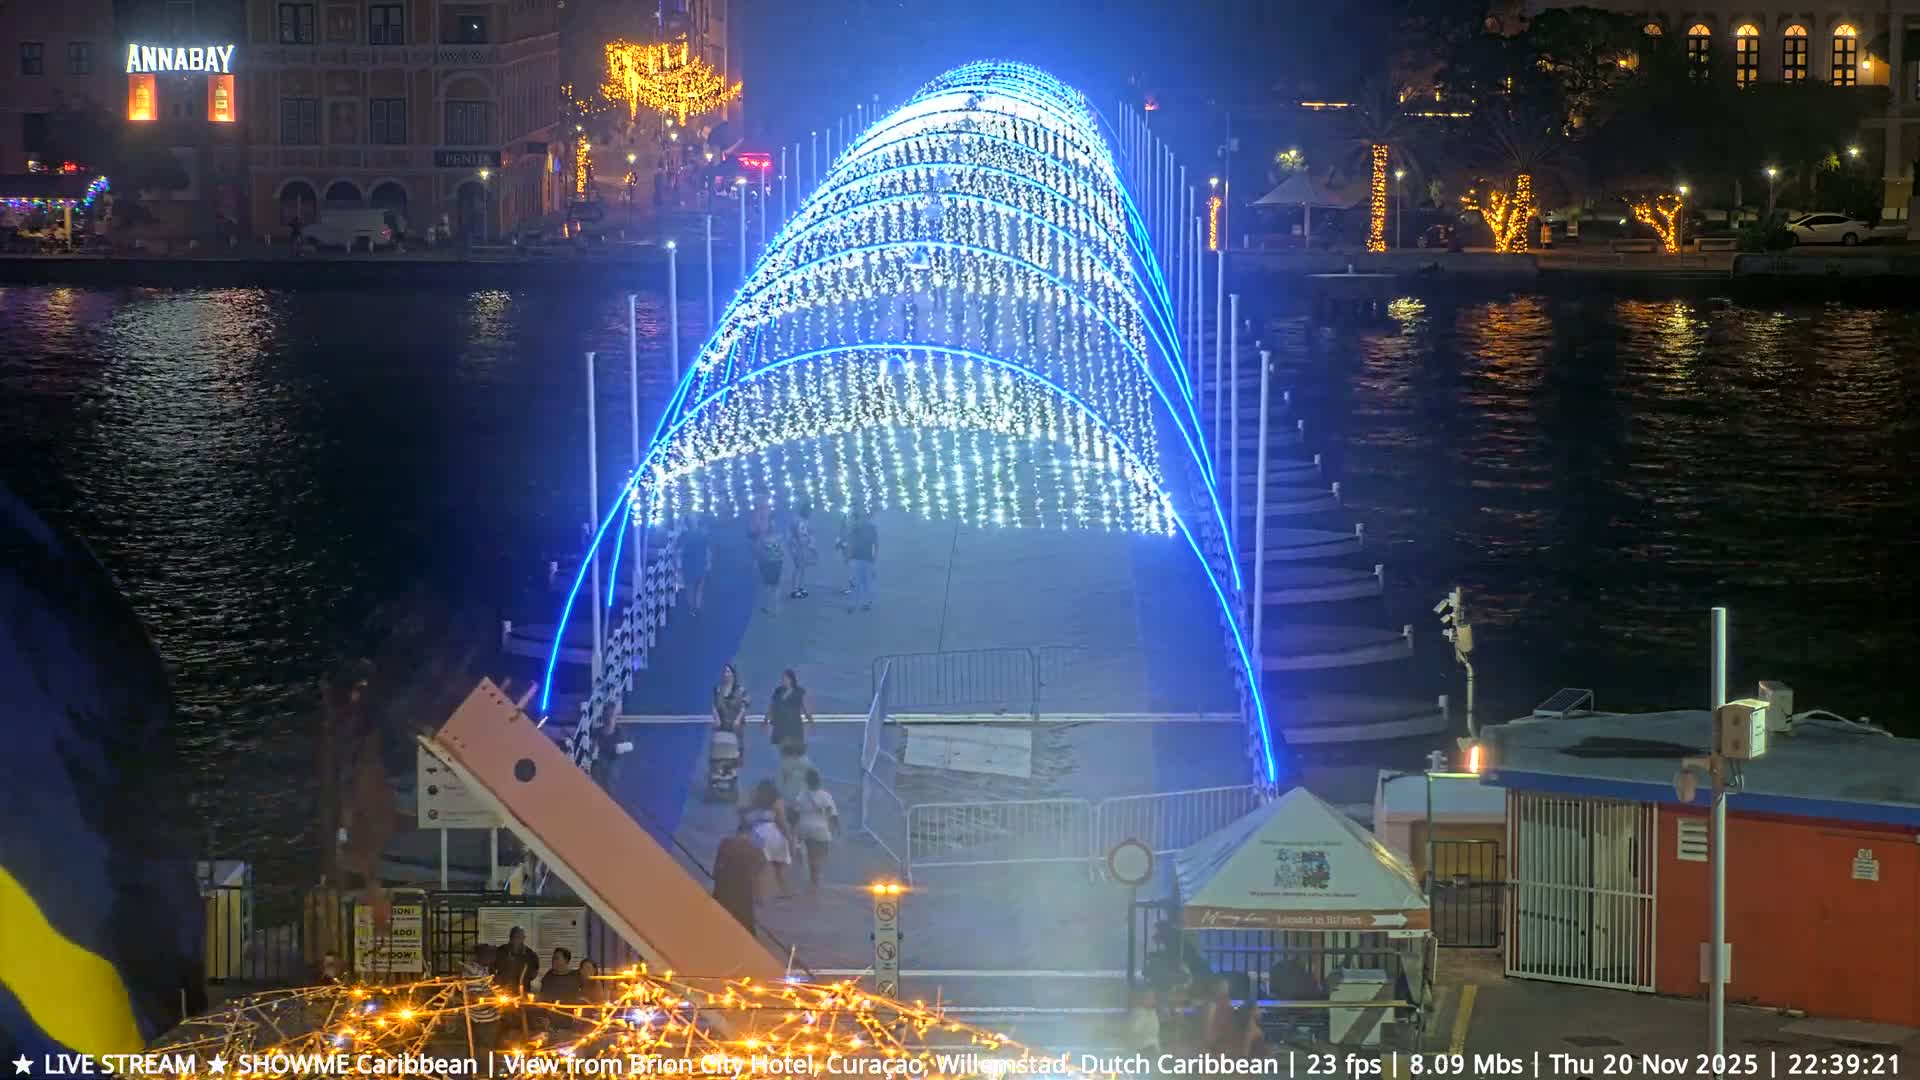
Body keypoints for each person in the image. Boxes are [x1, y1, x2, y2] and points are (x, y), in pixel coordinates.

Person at [743, 779, 793, 897]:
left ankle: (758, 897)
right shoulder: (777, 802)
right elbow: (782, 821)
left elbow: (744, 821)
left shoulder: (753, 802)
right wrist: (789, 838)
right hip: (775, 834)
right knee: (779, 868)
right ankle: (785, 893)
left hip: (758, 834)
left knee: (758, 869)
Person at [714, 818, 765, 933]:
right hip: (744, 894)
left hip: (723, 890)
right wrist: (759, 896)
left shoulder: (725, 843)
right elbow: (756, 876)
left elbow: (717, 868)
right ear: (750, 833)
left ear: (738, 831)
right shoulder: (756, 851)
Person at [792, 768, 839, 894]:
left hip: (805, 828)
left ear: (806, 781)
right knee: (821, 856)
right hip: (821, 829)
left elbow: (795, 814)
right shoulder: (825, 795)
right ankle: (816, 880)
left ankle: (813, 880)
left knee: (812, 856)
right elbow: (832, 814)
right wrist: (835, 827)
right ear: (819, 781)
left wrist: (795, 831)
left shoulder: (801, 796)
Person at [491, 926, 539, 1039]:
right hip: (503, 994)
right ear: (510, 938)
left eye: (519, 937)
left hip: (522, 994)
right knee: (504, 1021)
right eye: (514, 937)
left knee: (522, 1021)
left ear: (523, 939)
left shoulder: (530, 955)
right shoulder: (502, 952)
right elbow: (493, 969)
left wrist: (524, 980)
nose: (516, 940)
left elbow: (534, 972)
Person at [460, 943, 500, 1060]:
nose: (493, 958)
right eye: (491, 955)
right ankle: (480, 1073)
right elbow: (475, 997)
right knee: (482, 1049)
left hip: (488, 1017)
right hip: (481, 1018)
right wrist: (494, 996)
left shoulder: (484, 969)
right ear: (482, 956)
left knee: (484, 1048)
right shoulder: (473, 972)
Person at [536, 947, 584, 1033]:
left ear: (566, 960)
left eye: (557, 958)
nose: (553, 961)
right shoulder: (549, 975)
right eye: (553, 958)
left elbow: (584, 994)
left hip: (569, 1017)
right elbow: (542, 996)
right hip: (550, 1017)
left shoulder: (575, 976)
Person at [767, 669, 812, 752]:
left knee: (794, 749)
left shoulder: (799, 691)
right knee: (782, 750)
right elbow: (772, 706)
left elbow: (804, 706)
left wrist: (809, 719)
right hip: (780, 725)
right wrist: (766, 720)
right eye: (783, 678)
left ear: (791, 679)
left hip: (794, 725)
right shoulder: (778, 691)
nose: (783, 680)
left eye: (786, 678)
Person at [713, 663, 749, 764]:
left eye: (728, 671)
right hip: (721, 727)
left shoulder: (740, 690)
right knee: (721, 758)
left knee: (735, 758)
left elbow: (745, 705)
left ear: (733, 674)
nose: (725, 674)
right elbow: (714, 705)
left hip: (735, 728)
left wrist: (738, 719)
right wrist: (716, 717)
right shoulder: (718, 690)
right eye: (724, 672)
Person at [845, 509, 878, 612]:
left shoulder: (865, 528)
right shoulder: (862, 527)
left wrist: (848, 555)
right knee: (862, 582)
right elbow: (876, 544)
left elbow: (876, 544)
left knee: (860, 582)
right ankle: (860, 603)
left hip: (862, 558)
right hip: (862, 558)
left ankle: (859, 603)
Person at [680, 515, 711, 614]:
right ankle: (697, 608)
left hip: (689, 564)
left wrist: (677, 566)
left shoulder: (684, 535)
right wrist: (709, 562)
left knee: (690, 588)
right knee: (699, 587)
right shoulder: (702, 534)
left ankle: (692, 608)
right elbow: (708, 549)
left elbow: (679, 550)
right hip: (699, 563)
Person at [787, 504, 818, 599]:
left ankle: (800, 587)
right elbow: (800, 535)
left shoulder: (802, 520)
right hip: (799, 547)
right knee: (799, 568)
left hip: (801, 547)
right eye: (809, 511)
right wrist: (808, 541)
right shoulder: (799, 521)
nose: (810, 513)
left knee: (802, 568)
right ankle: (795, 590)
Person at [756, 533, 785, 615]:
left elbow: (759, 553)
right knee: (776, 586)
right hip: (777, 563)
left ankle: (767, 607)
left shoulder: (762, 540)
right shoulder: (778, 538)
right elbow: (782, 552)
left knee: (768, 586)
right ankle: (776, 609)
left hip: (768, 564)